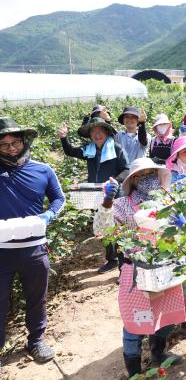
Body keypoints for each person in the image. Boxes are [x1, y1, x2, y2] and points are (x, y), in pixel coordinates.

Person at [92, 158, 184, 377]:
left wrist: (182, 222)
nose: (148, 179)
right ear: (133, 180)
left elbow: (181, 233)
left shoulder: (167, 200)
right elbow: (102, 231)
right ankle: (134, 371)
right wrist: (107, 202)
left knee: (166, 317)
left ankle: (158, 354)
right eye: (142, 175)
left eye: (151, 173)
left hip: (167, 267)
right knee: (135, 323)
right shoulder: (123, 205)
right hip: (136, 272)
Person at [0, 117, 65, 364]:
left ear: (24, 141)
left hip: (34, 249)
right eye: (4, 144)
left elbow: (59, 199)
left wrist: (48, 215)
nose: (11, 148)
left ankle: (36, 340)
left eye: (15, 142)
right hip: (1, 250)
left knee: (37, 297)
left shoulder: (42, 169)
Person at [58, 118, 129, 273]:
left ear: (107, 132)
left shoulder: (116, 149)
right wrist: (64, 138)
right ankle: (112, 260)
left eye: (100, 131)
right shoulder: (89, 150)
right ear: (90, 136)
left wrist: (114, 182)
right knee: (102, 228)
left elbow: (126, 169)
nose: (97, 134)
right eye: (93, 132)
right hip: (97, 196)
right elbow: (70, 151)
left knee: (118, 230)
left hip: (115, 195)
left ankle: (124, 268)